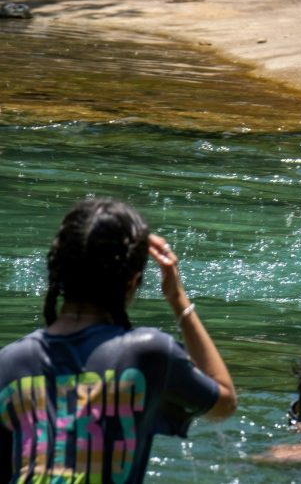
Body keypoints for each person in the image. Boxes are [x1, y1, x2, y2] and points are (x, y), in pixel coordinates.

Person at [0, 198, 237, 483]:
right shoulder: (149, 353)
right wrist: (178, 300)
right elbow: (223, 404)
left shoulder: (8, 362)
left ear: (58, 273)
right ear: (132, 281)